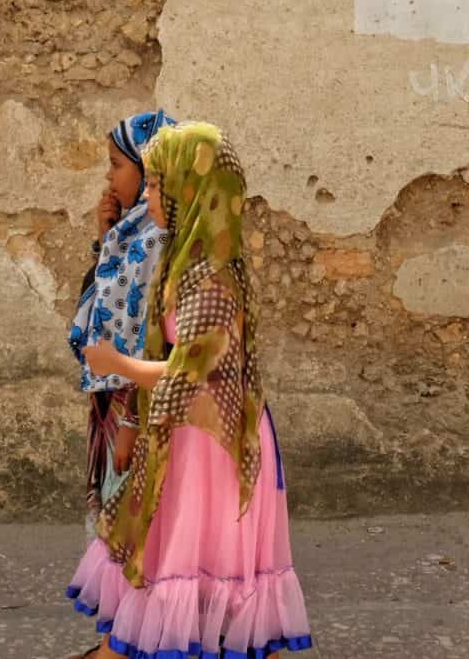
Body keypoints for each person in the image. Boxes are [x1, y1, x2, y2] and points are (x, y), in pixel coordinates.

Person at [67, 122, 314, 658]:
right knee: (173, 566)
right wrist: (133, 421)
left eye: (158, 185)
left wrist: (116, 364)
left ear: (189, 190)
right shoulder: (183, 261)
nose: (149, 196)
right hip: (182, 437)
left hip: (212, 447)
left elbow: (192, 370)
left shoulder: (212, 275)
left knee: (206, 571)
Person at [69, 111, 177, 533]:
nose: (110, 180)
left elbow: (153, 335)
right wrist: (105, 235)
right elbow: (103, 301)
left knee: (134, 518)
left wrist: (132, 418)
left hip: (136, 397)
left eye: (117, 165)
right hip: (115, 394)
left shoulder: (158, 241)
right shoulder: (130, 236)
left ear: (150, 170)